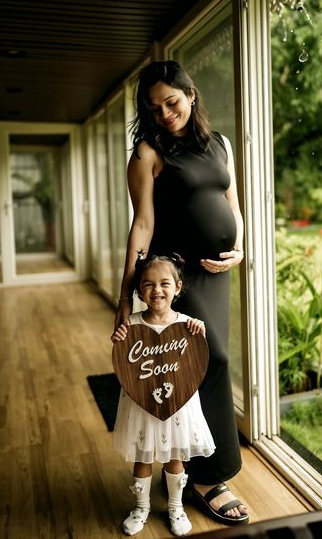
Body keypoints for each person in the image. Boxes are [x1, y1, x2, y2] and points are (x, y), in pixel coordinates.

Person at [114, 60, 248, 525]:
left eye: (172, 102)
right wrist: (125, 294)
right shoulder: (148, 154)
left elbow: (233, 204)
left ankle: (197, 469)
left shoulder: (221, 145)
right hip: (177, 278)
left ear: (191, 95)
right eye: (155, 108)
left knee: (214, 361)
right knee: (206, 363)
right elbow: (143, 225)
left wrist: (240, 248)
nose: (165, 114)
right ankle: (209, 479)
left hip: (218, 271)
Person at [111, 253, 215, 536]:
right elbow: (124, 361)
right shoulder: (131, 325)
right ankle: (141, 507)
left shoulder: (187, 324)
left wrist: (200, 332)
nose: (157, 290)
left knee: (174, 455)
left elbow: (197, 356)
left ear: (178, 287)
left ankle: (175, 506)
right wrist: (119, 339)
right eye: (148, 284)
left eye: (164, 283)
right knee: (143, 455)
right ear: (139, 291)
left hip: (178, 402)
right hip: (142, 401)